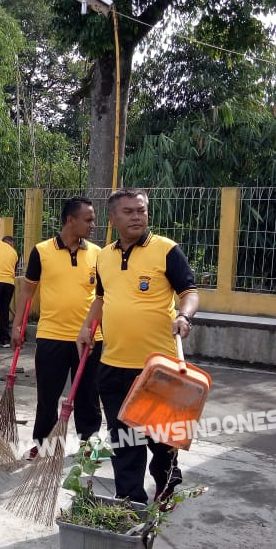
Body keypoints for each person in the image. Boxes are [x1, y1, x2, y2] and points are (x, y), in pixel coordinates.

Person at [76, 188, 199, 505]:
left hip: (157, 368)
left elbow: (190, 291)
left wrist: (184, 315)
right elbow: (101, 299)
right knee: (123, 438)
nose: (136, 216)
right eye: (128, 211)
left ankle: (167, 483)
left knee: (161, 438)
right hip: (114, 364)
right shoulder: (104, 257)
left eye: (141, 210)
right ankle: (130, 498)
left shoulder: (166, 250)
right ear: (113, 217)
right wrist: (87, 328)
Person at [11, 197, 104, 460]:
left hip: (88, 338)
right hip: (51, 335)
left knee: (88, 395)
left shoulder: (98, 254)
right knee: (47, 397)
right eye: (88, 219)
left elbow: (103, 296)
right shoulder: (42, 251)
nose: (93, 225)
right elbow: (28, 291)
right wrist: (17, 325)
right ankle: (45, 445)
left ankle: (89, 445)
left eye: (93, 219)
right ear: (70, 220)